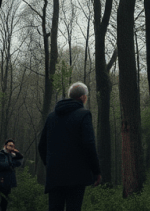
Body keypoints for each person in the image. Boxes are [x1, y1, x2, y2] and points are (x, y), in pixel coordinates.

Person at [38, 82, 102, 211]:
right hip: (76, 176)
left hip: (54, 175)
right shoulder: (84, 114)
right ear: (83, 97)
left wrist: (50, 164)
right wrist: (96, 171)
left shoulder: (51, 116)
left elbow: (41, 146)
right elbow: (89, 144)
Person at [0, 139, 24, 211]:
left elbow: (19, 162)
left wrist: (17, 153)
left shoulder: (11, 155)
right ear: (5, 146)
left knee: (4, 201)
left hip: (8, 182)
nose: (12, 148)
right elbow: (1, 165)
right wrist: (12, 163)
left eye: (13, 146)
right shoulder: (0, 154)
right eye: (10, 146)